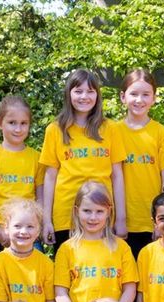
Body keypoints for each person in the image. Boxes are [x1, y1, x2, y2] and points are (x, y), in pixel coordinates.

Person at [40, 69, 127, 246]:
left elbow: (117, 174)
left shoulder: (111, 129)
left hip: (101, 213)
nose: (84, 96)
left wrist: (121, 218)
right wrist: (47, 220)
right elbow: (50, 176)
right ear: (68, 94)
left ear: (97, 95)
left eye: (90, 91)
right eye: (78, 91)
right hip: (66, 213)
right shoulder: (55, 130)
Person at [54, 182, 138, 302]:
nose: (93, 217)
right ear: (77, 210)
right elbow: (61, 293)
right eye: (87, 211)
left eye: (99, 211)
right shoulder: (67, 249)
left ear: (109, 212)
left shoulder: (121, 247)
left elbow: (130, 289)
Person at [115, 69, 164, 256]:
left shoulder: (161, 133)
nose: (139, 100)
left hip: (151, 223)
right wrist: (117, 220)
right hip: (120, 222)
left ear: (154, 98)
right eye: (134, 94)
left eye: (146, 94)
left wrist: (162, 220)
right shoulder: (112, 131)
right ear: (123, 96)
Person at [0, 95, 45, 262]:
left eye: (23, 123)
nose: (18, 129)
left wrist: (37, 229)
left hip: (27, 233)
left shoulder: (36, 158)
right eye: (12, 122)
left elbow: (40, 198)